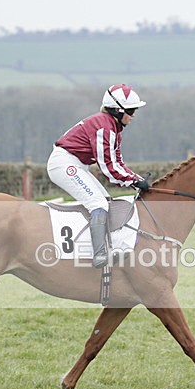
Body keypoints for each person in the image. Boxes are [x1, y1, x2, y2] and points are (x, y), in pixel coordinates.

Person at [47, 84, 150, 268]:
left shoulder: (113, 130)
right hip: (64, 164)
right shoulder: (104, 127)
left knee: (106, 201)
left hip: (76, 164)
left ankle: (107, 247)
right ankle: (99, 254)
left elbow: (118, 164)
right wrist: (134, 181)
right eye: (131, 111)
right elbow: (109, 169)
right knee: (99, 203)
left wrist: (136, 180)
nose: (133, 116)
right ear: (118, 110)